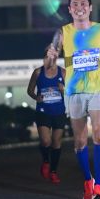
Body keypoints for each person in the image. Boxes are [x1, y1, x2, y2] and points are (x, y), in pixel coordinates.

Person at [47, 0, 100, 199]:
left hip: (98, 89)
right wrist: (51, 56)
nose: (79, 7)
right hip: (74, 92)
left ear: (90, 7)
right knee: (80, 141)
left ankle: (99, 186)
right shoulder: (63, 32)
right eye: (75, 4)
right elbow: (51, 57)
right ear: (70, 9)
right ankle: (87, 182)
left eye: (83, 3)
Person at [27, 51, 66, 183]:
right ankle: (45, 161)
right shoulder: (38, 72)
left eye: (53, 57)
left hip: (59, 111)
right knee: (45, 141)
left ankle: (53, 172)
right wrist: (36, 97)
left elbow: (71, 92)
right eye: (47, 57)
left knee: (56, 141)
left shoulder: (63, 72)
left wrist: (63, 90)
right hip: (43, 111)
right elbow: (30, 90)